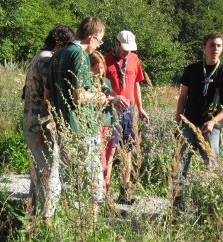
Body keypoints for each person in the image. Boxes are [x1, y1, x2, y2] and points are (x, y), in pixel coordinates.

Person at [44, 17, 107, 220]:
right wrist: (102, 97)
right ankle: (91, 227)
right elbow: (79, 96)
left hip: (64, 128)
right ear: (92, 38)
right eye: (100, 41)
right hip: (82, 128)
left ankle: (68, 224)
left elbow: (48, 97)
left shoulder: (57, 55)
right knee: (93, 181)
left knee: (69, 181)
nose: (99, 46)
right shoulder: (80, 55)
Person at [174, 31, 223, 201]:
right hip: (188, 125)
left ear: (222, 48)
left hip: (211, 129)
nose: (215, 49)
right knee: (179, 167)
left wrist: (213, 121)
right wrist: (177, 122)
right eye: (212, 45)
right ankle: (177, 206)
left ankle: (207, 205)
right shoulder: (192, 70)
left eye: (218, 45)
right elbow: (182, 97)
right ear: (204, 47)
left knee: (211, 168)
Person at [23, 24, 75, 224]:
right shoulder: (47, 61)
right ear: (58, 42)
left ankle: (32, 222)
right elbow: (50, 95)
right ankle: (46, 223)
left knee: (38, 175)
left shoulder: (38, 57)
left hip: (33, 121)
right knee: (48, 174)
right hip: (41, 124)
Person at [104, 30, 150, 204]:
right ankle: (104, 195)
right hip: (110, 110)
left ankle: (125, 193)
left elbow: (136, 84)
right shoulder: (104, 59)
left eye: (130, 49)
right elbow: (99, 85)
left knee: (127, 152)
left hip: (129, 111)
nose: (127, 52)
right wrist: (113, 98)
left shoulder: (134, 59)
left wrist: (140, 107)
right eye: (124, 49)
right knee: (110, 152)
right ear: (116, 44)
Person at [89, 51, 118, 193]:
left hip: (108, 121)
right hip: (96, 122)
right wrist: (108, 99)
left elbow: (110, 94)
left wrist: (117, 98)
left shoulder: (105, 82)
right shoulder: (88, 82)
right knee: (99, 157)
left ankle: (105, 188)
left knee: (108, 156)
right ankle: (99, 191)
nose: (99, 71)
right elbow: (92, 102)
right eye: (96, 68)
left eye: (101, 68)